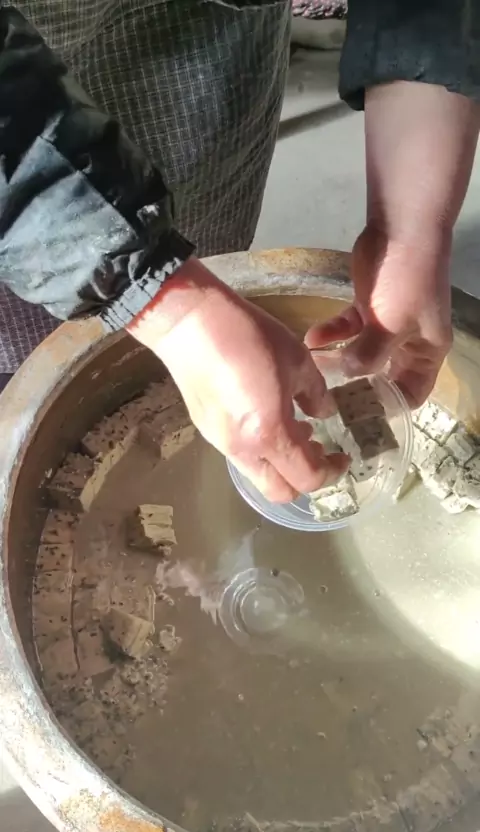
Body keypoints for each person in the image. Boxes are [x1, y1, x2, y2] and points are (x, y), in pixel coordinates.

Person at [0, 1, 479, 503]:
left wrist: (408, 232)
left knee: (207, 237)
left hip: (210, 72)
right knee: (36, 350)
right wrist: (170, 311)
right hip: (24, 198)